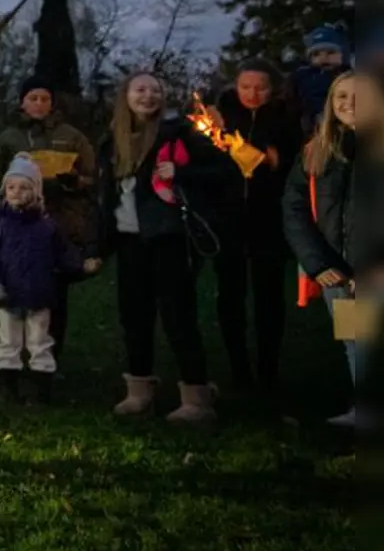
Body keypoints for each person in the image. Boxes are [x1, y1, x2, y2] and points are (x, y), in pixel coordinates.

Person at [99, 73, 232, 424]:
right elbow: (108, 197)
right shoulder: (113, 141)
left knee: (179, 318)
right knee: (134, 318)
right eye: (140, 89)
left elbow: (225, 171)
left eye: (155, 90)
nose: (148, 96)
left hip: (169, 239)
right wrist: (100, 244)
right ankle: (139, 391)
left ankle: (196, 396)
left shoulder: (179, 133)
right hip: (129, 241)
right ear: (125, 96)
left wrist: (182, 172)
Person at [0, 76, 97, 369]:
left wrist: (75, 182)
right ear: (22, 101)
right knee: (12, 291)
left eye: (45, 99)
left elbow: (93, 177)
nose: (39, 104)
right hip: (15, 228)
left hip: (59, 223)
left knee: (53, 294)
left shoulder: (71, 136)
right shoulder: (8, 138)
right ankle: (11, 356)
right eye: (33, 98)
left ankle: (49, 359)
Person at [0, 154, 100, 403]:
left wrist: (81, 266)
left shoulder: (46, 226)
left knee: (40, 341)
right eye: (11, 187)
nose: (16, 193)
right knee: (8, 341)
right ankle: (9, 388)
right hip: (8, 294)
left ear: (36, 191)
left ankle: (42, 389)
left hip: (40, 294)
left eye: (24, 187)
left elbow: (62, 254)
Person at [283, 72, 370, 426]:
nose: (350, 104)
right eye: (341, 98)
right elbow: (294, 209)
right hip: (336, 268)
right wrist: (318, 264)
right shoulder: (315, 153)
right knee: (356, 340)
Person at [211, 58, 302, 393]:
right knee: (230, 296)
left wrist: (278, 161)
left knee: (269, 297)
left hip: (269, 218)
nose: (252, 93)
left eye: (260, 87)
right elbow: (207, 159)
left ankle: (268, 369)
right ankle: (238, 369)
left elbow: (299, 163)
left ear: (272, 88)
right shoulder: (220, 117)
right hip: (229, 218)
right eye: (245, 86)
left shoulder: (286, 118)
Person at [289, 23, 350, 138]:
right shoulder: (302, 76)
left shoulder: (349, 78)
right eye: (316, 54)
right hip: (310, 129)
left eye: (330, 52)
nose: (323, 58)